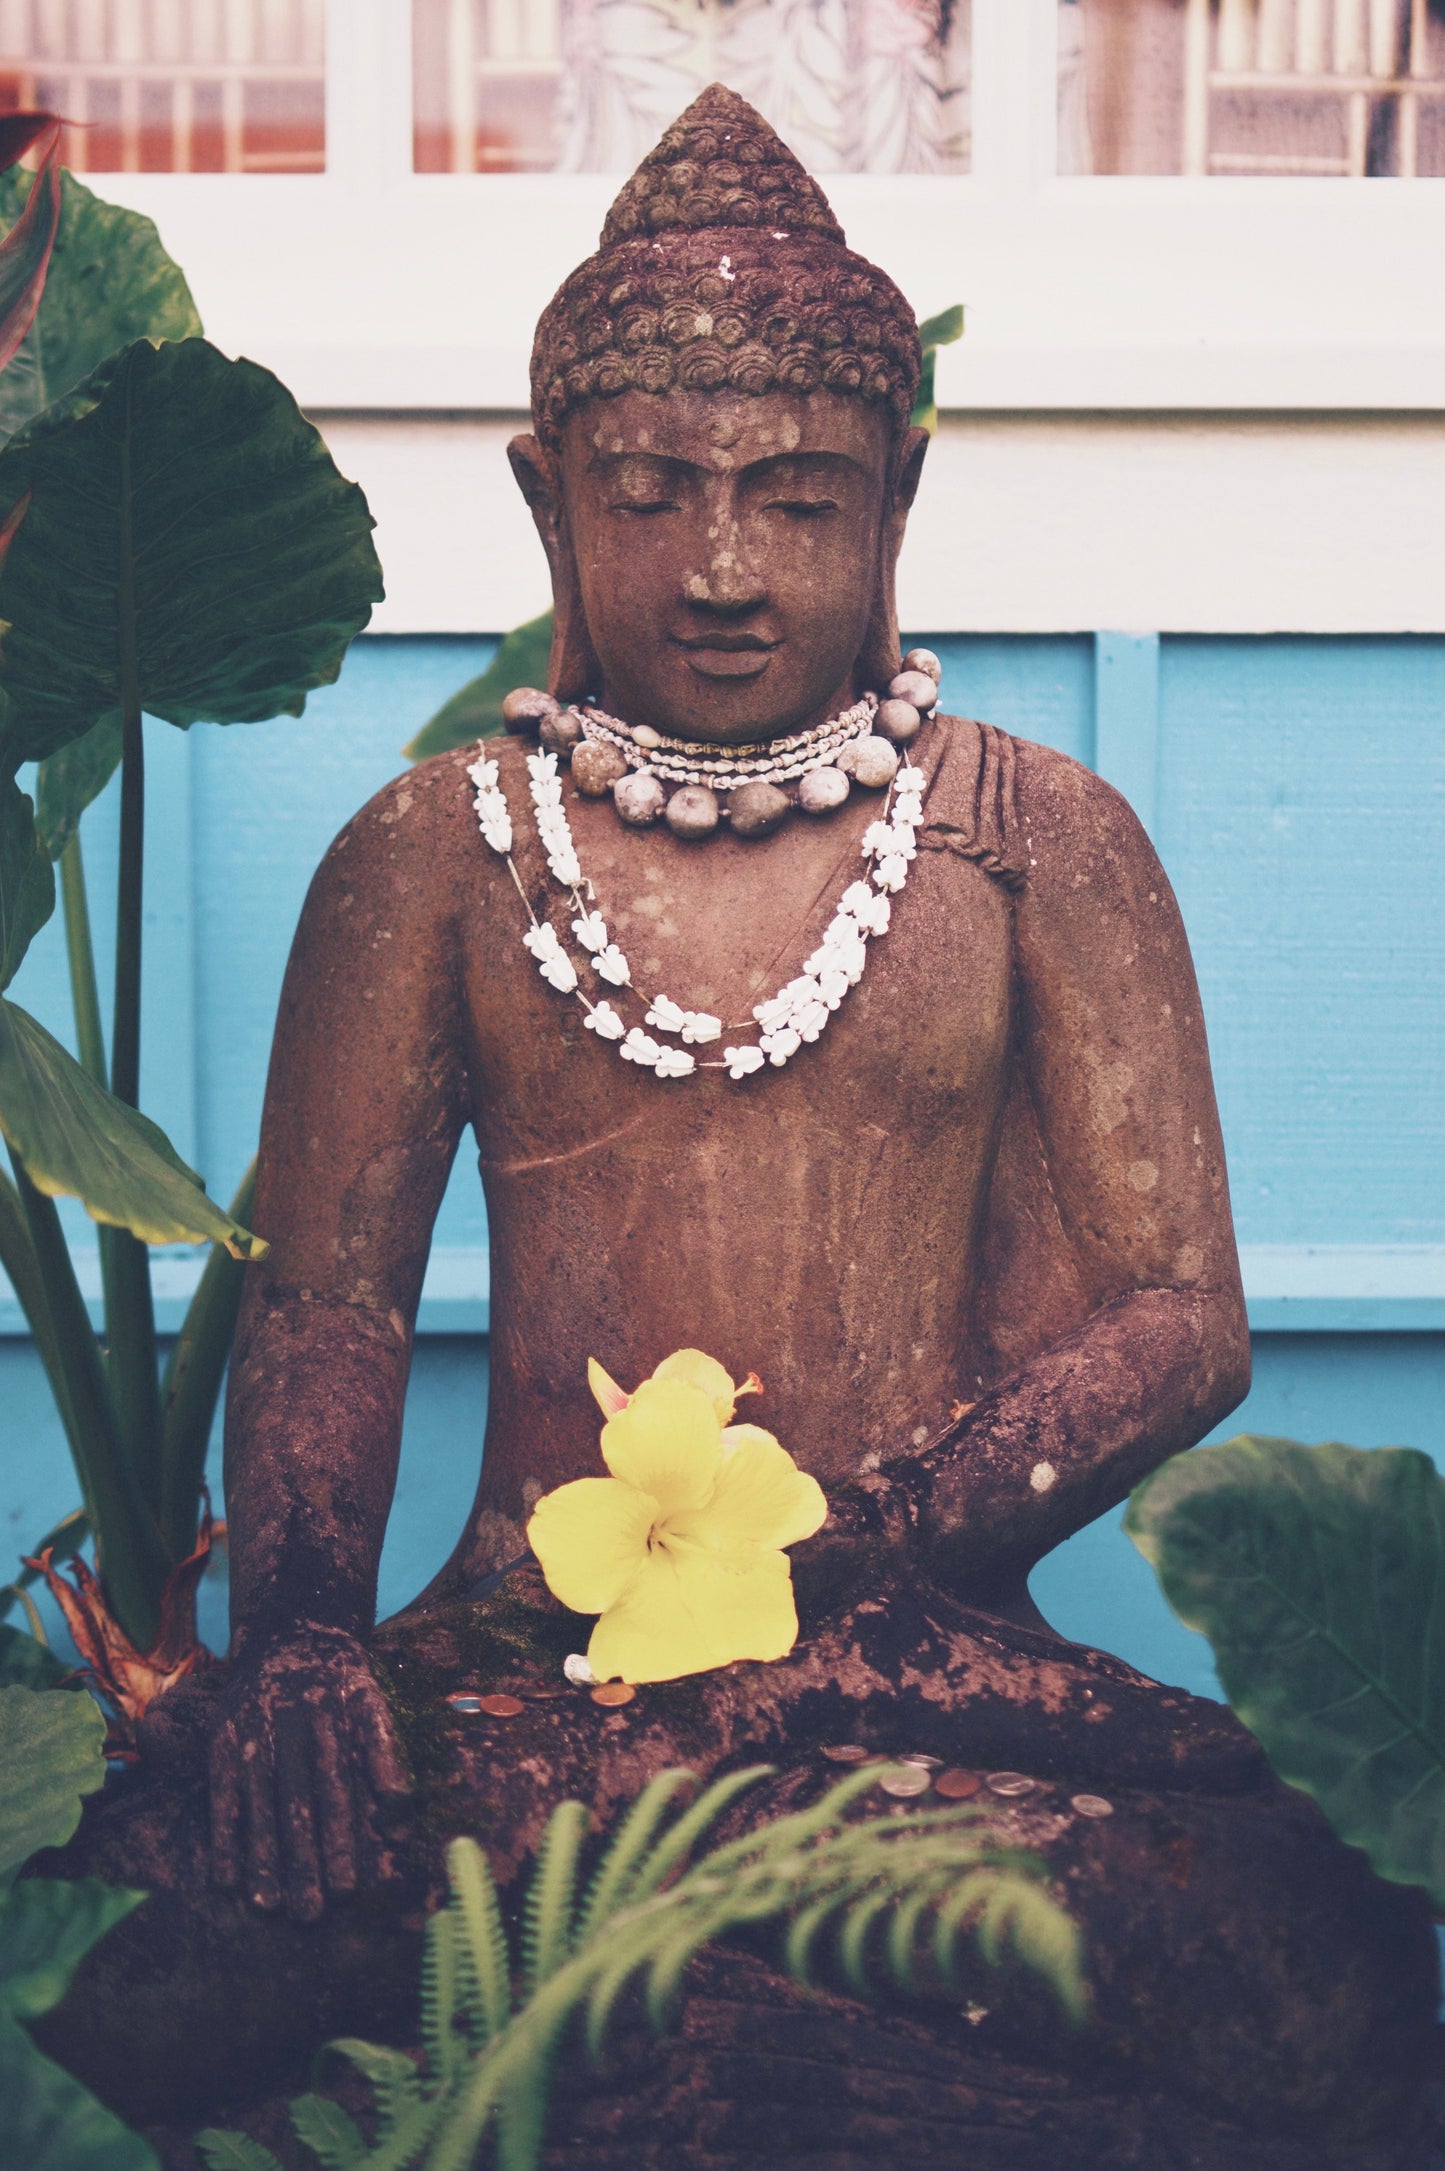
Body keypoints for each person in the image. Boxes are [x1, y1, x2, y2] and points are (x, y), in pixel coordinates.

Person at [183, 85, 1429, 2154]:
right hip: (536, 1658)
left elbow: (1181, 1315)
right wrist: (302, 1637)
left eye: (798, 499)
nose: (725, 570)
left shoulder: (1032, 842)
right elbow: (328, 1303)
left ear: (898, 497)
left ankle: (833, 2079)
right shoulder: (440, 855)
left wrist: (865, 1559)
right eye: (651, 495)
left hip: (913, 1661)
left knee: (1311, 1947)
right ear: (548, 501)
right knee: (157, 1935)